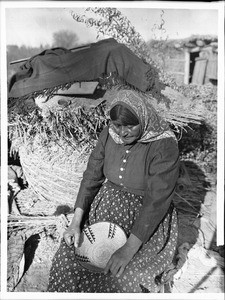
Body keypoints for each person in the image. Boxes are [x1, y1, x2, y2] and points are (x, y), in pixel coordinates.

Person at [47, 89, 180, 293]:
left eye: (130, 125)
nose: (122, 132)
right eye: (117, 125)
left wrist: (128, 250)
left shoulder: (163, 145)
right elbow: (91, 176)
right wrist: (76, 222)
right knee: (68, 261)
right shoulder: (109, 135)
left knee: (122, 276)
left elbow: (156, 201)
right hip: (107, 208)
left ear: (143, 119)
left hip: (145, 220)